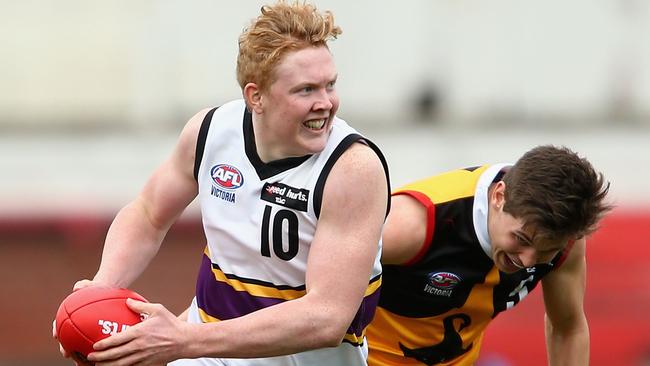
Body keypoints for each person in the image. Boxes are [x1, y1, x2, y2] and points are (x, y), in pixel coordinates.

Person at [54, 1, 390, 365]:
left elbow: (326, 318)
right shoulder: (211, 132)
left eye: (330, 85)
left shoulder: (353, 168)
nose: (326, 103)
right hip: (208, 356)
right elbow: (149, 213)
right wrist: (103, 288)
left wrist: (185, 339)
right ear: (255, 96)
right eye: (306, 90)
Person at [366, 145, 612, 366]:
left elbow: (567, 329)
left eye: (546, 251)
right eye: (522, 239)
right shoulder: (413, 223)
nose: (527, 262)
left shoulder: (563, 237)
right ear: (499, 196)